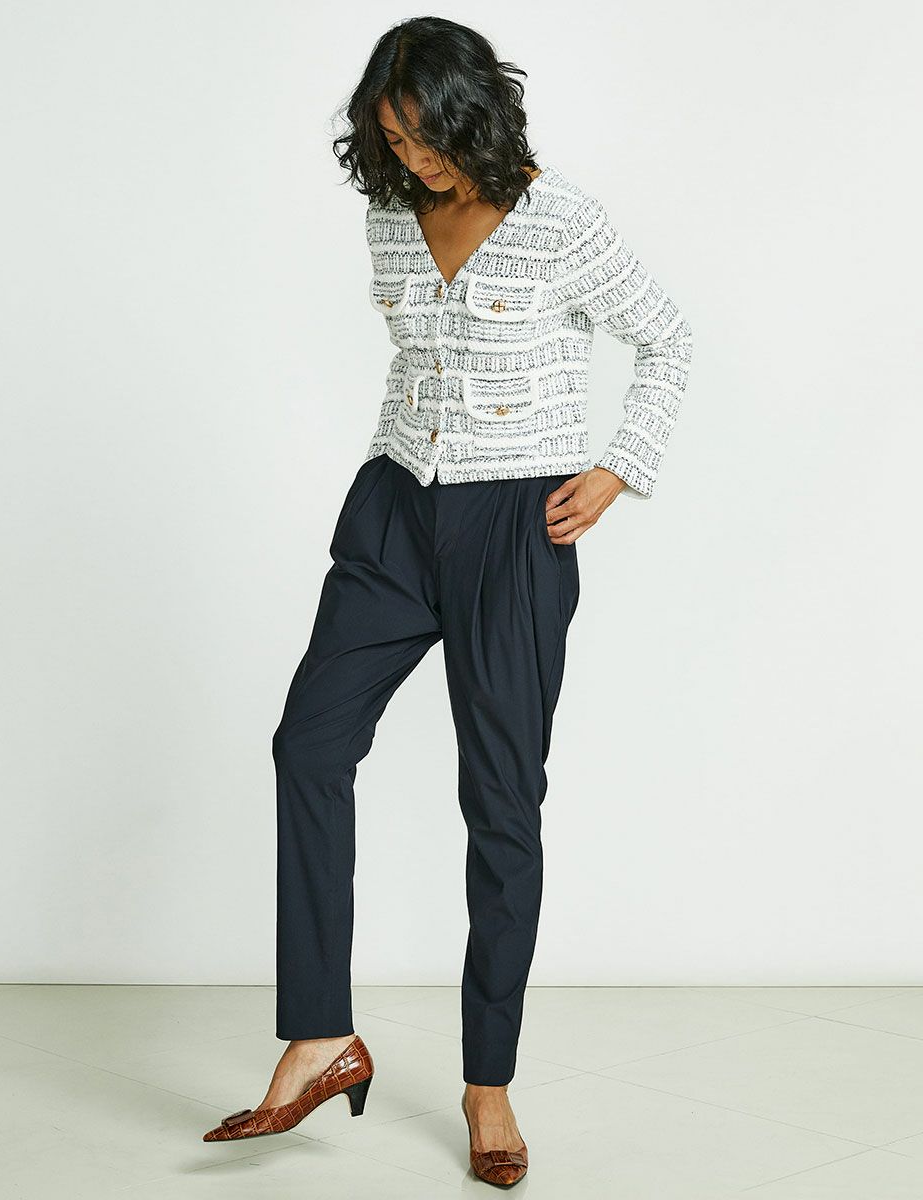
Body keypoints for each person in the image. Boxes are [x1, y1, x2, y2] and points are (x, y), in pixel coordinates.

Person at [202, 16, 693, 1188]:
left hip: (514, 528)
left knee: (500, 804)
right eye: (392, 139)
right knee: (308, 744)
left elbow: (668, 340)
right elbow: (413, 360)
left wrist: (616, 469)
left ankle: (488, 1084)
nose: (412, 160)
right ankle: (319, 1038)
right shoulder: (389, 214)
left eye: (426, 139)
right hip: (394, 510)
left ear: (474, 117)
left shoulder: (563, 220)